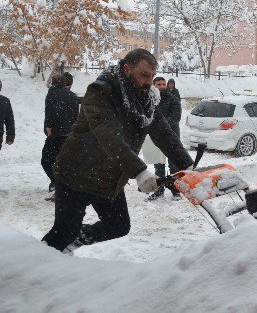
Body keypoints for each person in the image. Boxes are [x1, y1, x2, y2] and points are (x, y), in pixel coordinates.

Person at [42, 49, 194, 253]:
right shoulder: (101, 92)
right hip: (76, 175)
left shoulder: (146, 99)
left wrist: (187, 164)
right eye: (144, 75)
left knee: (118, 226)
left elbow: (163, 133)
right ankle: (36, 264)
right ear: (127, 69)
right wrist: (139, 170)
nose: (149, 81)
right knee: (64, 231)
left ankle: (74, 241)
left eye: (151, 75)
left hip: (108, 178)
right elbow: (108, 135)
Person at [41, 73, 80, 199]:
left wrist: (48, 127)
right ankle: (63, 185)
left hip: (56, 134)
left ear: (53, 82)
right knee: (64, 161)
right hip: (69, 134)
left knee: (47, 160)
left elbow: (50, 112)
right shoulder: (73, 96)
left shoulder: (52, 94)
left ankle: (57, 183)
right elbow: (76, 115)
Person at [144, 76, 182, 200]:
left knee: (173, 166)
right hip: (156, 137)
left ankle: (175, 190)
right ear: (153, 86)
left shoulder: (173, 99)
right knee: (158, 165)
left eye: (163, 84)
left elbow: (175, 118)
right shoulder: (149, 100)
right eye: (158, 84)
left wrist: (159, 124)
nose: (161, 86)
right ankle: (159, 190)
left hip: (171, 136)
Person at [0, 80, 15, 151]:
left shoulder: (4, 101)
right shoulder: (4, 101)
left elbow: (10, 120)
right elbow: (10, 120)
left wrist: (10, 136)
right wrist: (10, 136)